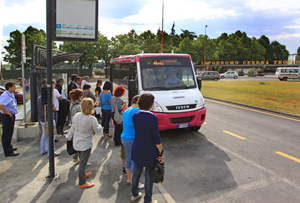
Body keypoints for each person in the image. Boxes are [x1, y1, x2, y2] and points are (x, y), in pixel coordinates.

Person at [131, 93, 164, 203]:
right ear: (151, 104)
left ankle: (134, 194)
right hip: (150, 151)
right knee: (148, 176)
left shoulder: (135, 115)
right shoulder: (153, 118)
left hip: (137, 148)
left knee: (136, 173)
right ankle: (148, 200)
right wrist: (161, 152)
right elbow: (156, 138)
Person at [66, 98, 102, 189]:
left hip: (76, 142)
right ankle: (82, 182)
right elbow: (97, 131)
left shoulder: (77, 116)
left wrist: (68, 137)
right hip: (86, 143)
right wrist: (101, 128)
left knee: (81, 159)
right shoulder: (91, 119)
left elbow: (72, 128)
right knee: (83, 163)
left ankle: (84, 174)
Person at [121, 95, 145, 190]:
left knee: (128, 159)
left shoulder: (126, 110)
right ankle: (136, 183)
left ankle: (129, 178)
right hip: (133, 139)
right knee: (135, 161)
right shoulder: (138, 112)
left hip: (124, 138)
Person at [37, 87, 60, 157]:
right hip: (49, 119)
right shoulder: (49, 99)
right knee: (51, 136)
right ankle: (51, 152)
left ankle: (43, 150)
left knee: (44, 135)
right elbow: (54, 108)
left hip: (42, 119)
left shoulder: (39, 99)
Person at [0, 82, 19, 157]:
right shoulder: (5, 96)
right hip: (7, 116)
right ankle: (8, 152)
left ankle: (9, 147)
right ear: (9, 88)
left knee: (10, 132)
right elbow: (1, 105)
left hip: (11, 115)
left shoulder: (10, 94)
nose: (15, 88)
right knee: (6, 133)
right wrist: (7, 113)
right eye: (14, 87)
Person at [69, 89, 84, 163]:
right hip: (79, 125)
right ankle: (82, 160)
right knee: (81, 143)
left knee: (76, 142)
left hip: (73, 124)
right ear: (79, 96)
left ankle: (75, 158)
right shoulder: (79, 106)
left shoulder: (72, 103)